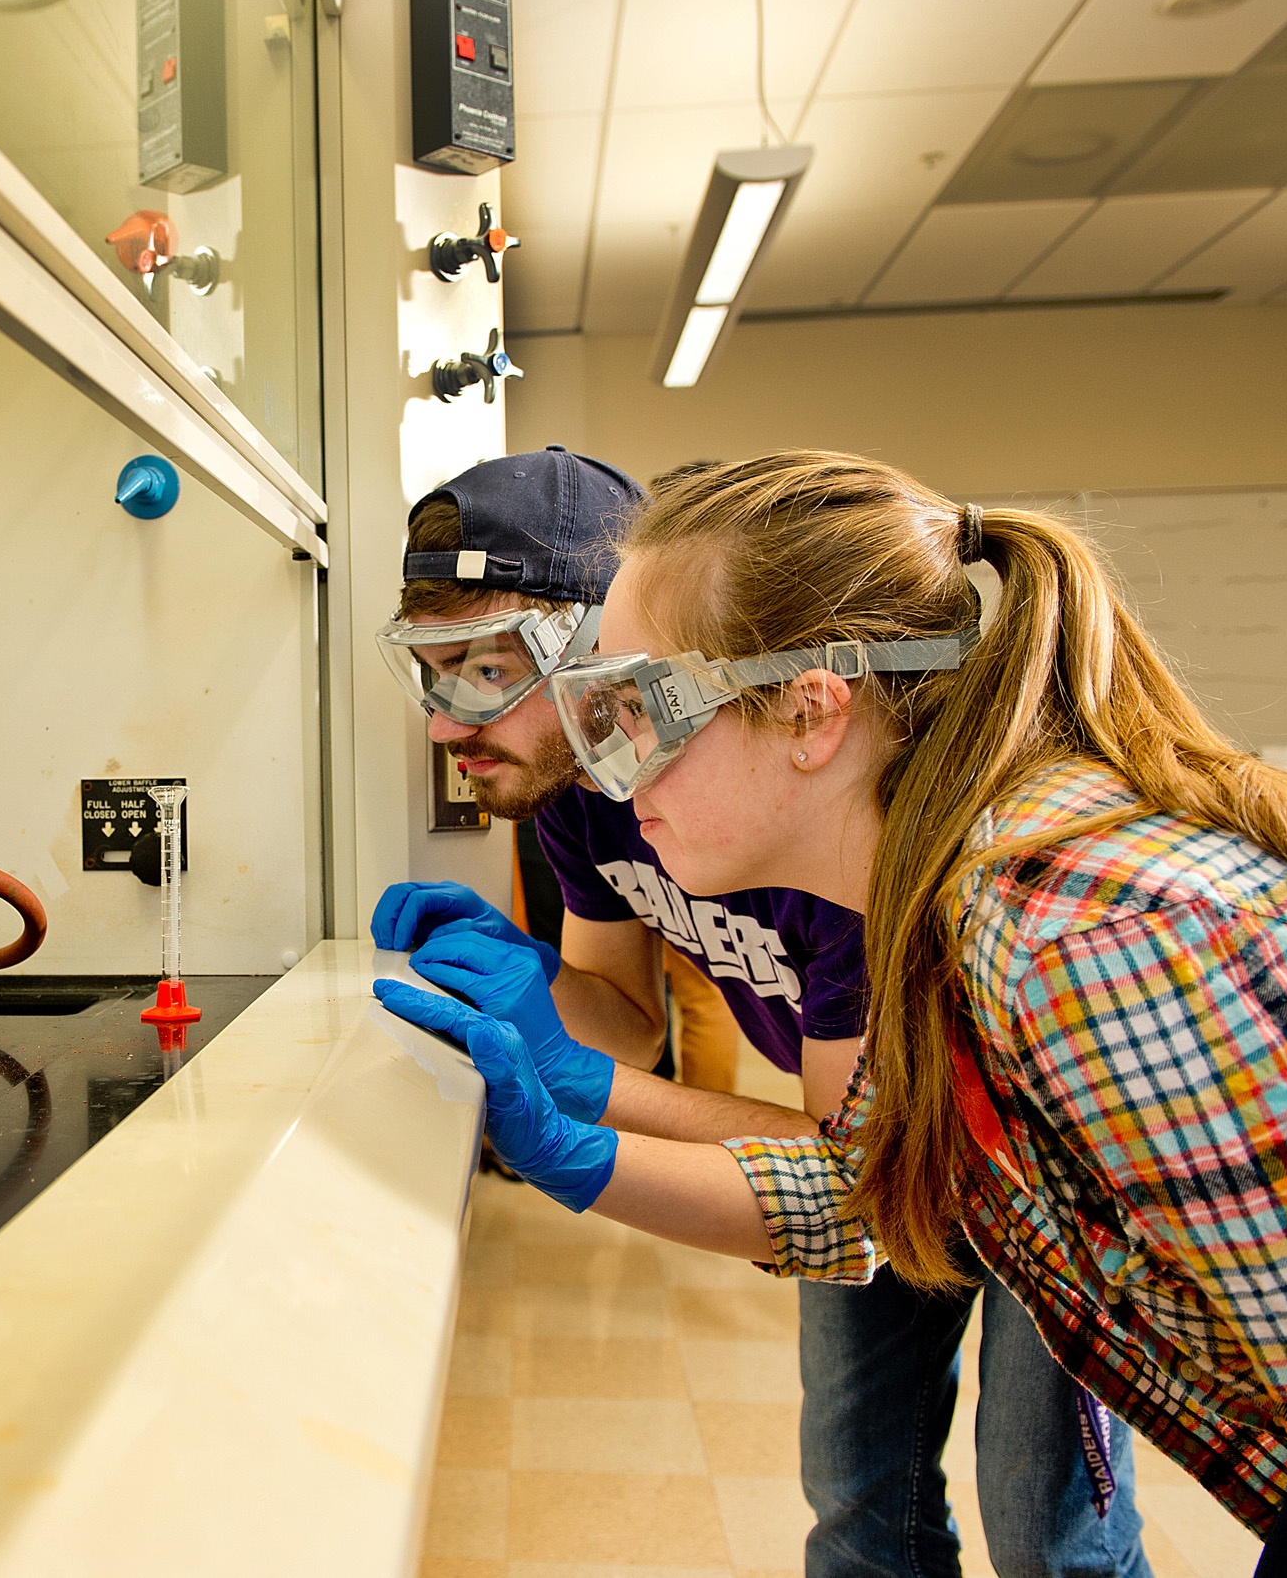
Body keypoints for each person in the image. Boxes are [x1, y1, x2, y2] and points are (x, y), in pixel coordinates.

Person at [378, 451, 1287, 1576]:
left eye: (633, 713)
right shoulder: (937, 897)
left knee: (1049, 1527)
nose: (609, 772)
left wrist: (597, 1107)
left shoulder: (1086, 946)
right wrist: (576, 1146)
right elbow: (890, 1189)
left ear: (811, 711)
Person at [372, 448, 1150, 1578]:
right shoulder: (592, 809)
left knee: (1043, 1525)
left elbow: (863, 1179)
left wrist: (585, 1104)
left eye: (487, 669)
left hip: (1024, 1149)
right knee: (856, 1489)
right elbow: (634, 1016)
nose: (447, 726)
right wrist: (535, 998)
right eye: (431, 675)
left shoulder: (830, 839)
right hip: (889, 1140)